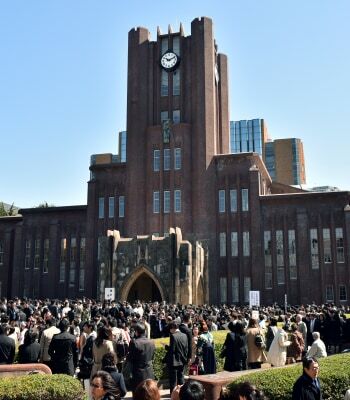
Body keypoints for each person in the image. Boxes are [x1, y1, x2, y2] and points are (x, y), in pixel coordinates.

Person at [126, 322, 155, 392]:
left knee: (139, 394)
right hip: (149, 371)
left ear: (136, 332)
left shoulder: (134, 343)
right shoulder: (151, 342)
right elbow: (152, 356)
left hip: (138, 373)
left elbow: (130, 359)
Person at [165, 321, 189, 394]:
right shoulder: (184, 335)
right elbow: (186, 348)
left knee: (173, 381)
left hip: (174, 362)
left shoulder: (173, 336)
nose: (169, 330)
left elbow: (172, 350)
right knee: (181, 379)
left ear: (173, 328)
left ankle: (173, 396)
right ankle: (183, 394)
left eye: (170, 329)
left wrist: (166, 347)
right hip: (182, 360)